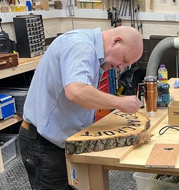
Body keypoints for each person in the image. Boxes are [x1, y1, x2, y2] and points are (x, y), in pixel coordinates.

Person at [19, 26, 143, 190]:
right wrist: (119, 103)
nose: (121, 67)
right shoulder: (80, 45)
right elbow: (76, 91)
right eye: (125, 60)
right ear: (116, 41)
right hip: (44, 144)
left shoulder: (93, 53)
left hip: (63, 142)